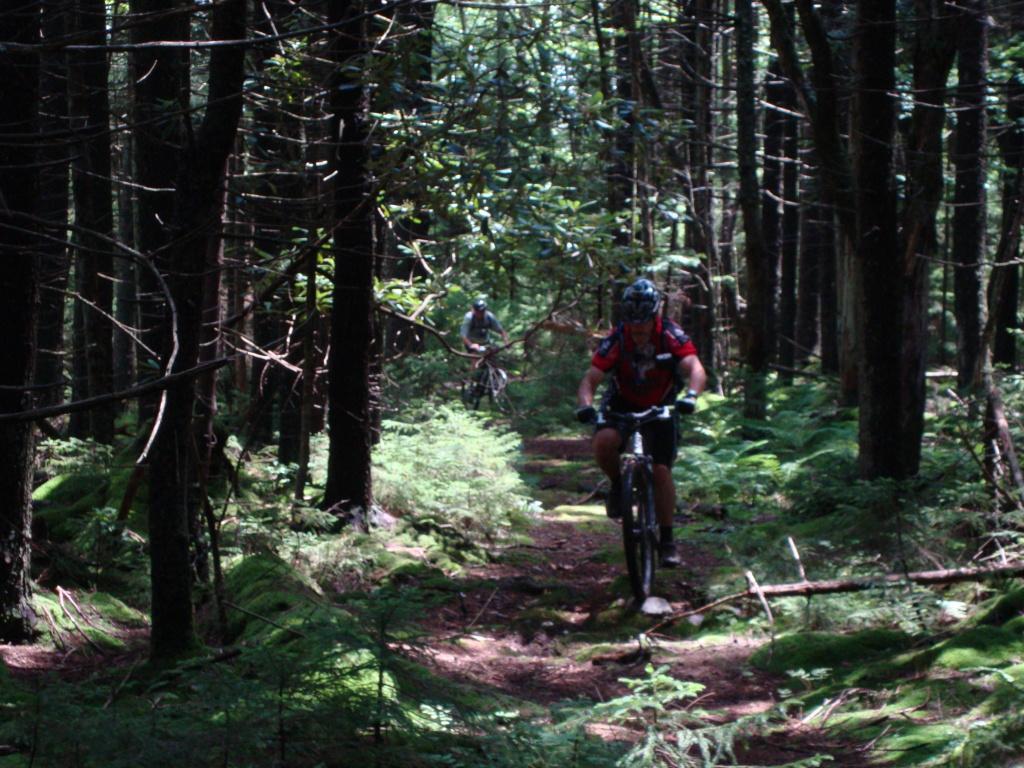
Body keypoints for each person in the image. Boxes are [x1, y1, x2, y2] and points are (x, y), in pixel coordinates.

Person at [575, 278, 706, 568]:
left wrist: (692, 395)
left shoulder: (670, 334)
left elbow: (695, 367)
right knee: (604, 442)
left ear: (655, 316)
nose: (638, 331)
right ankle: (618, 485)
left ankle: (668, 540)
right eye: (633, 325)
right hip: (622, 402)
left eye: (643, 324)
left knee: (660, 470)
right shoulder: (617, 338)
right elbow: (591, 377)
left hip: (661, 404)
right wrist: (585, 406)